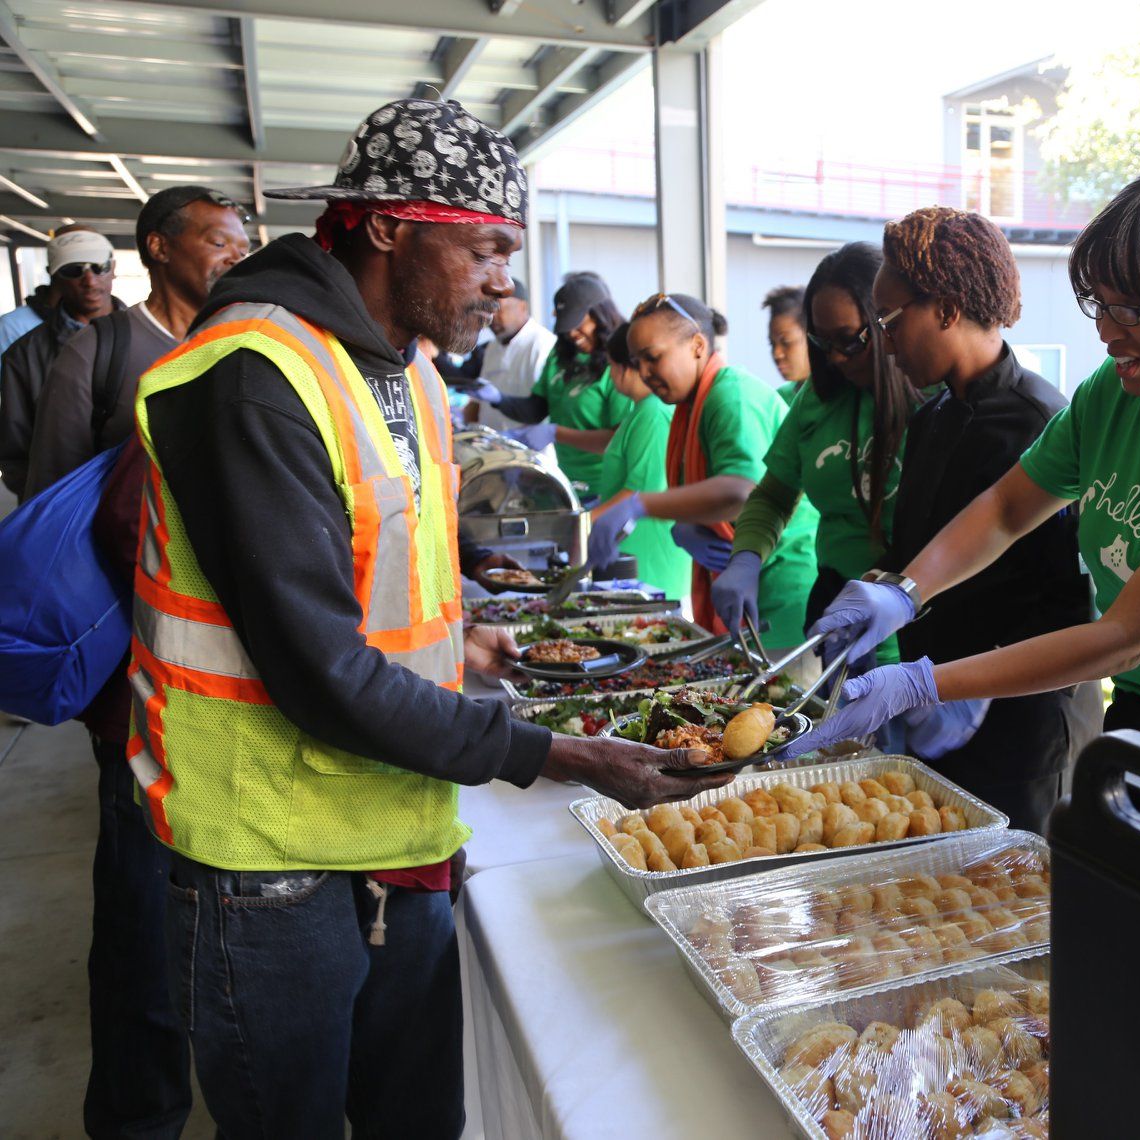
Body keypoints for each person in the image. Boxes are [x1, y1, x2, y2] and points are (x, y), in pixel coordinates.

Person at [129, 98, 728, 1137]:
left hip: (395, 835)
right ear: (391, 227)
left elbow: (364, 586)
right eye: (487, 249)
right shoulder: (256, 376)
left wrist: (457, 642)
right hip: (270, 868)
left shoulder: (397, 361)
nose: (508, 280)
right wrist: (561, 753)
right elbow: (317, 665)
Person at [788, 165, 1140, 799]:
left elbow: (1123, 636)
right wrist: (908, 592)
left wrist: (925, 683)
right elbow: (1007, 509)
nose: (1106, 331)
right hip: (1137, 715)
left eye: (1131, 307)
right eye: (1099, 304)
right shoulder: (1119, 393)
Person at [17, 185, 250, 1139]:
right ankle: (137, 1111)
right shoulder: (107, 350)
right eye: (215, 238)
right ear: (157, 248)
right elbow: (50, 514)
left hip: (227, 687)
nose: (234, 252)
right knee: (138, 909)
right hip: (133, 679)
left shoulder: (243, 350)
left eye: (244, 238)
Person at [780, 206, 1102, 830]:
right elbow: (925, 556)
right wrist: (879, 595)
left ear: (949, 308)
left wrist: (971, 685)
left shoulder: (1040, 423)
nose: (884, 340)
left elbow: (1064, 601)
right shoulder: (933, 418)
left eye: (889, 321)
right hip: (941, 701)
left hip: (1026, 725)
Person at [717, 243, 915, 666]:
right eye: (822, 343)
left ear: (887, 322)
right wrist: (746, 558)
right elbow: (774, 494)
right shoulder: (817, 399)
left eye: (849, 341)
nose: (836, 358)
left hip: (915, 629)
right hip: (838, 616)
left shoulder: (929, 396)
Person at [590, 292, 818, 649]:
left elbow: (740, 490)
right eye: (637, 362)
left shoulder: (732, 396)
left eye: (653, 358)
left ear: (697, 345)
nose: (645, 374)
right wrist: (689, 527)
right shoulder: (690, 405)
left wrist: (640, 504)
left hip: (779, 588)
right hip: (742, 586)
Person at [469, 270, 630, 494]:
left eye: (579, 323)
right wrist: (498, 399)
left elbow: (618, 441)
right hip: (568, 482)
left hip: (605, 485)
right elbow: (536, 409)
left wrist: (556, 433)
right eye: (567, 326)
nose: (573, 333)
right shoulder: (561, 355)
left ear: (600, 314)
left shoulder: (619, 366)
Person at [0, 228, 121, 494]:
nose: (89, 280)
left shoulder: (155, 338)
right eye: (73, 270)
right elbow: (15, 453)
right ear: (54, 276)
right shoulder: (23, 355)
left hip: (136, 501)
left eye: (98, 267)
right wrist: (47, 502)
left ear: (113, 268)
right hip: (58, 503)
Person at [587, 321, 694, 597]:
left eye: (611, 366)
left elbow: (639, 491)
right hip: (628, 554)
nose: (610, 375)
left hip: (648, 560)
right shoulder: (640, 411)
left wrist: (582, 524)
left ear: (626, 367)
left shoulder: (653, 415)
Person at [460, 280, 554, 438]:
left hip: (528, 451)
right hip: (492, 447)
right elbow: (478, 403)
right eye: (488, 311)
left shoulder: (542, 344)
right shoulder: (493, 346)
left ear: (522, 307)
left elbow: (541, 409)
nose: (491, 318)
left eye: (498, 309)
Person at [0, 223, 99, 356]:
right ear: (54, 270)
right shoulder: (12, 326)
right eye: (75, 266)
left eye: (97, 266)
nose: (90, 279)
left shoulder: (119, 321)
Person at [763, 284, 811, 403]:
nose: (776, 354)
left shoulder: (842, 397)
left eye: (786, 342)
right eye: (772, 344)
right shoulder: (779, 401)